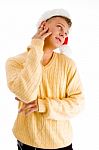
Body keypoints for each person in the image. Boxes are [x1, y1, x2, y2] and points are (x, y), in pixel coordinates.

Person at [5, 9, 84, 150]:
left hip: (61, 143)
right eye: (59, 27)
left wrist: (43, 105)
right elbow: (26, 94)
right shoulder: (14, 62)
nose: (63, 33)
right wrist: (36, 45)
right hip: (27, 141)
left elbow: (78, 104)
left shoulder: (68, 64)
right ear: (43, 26)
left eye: (66, 32)